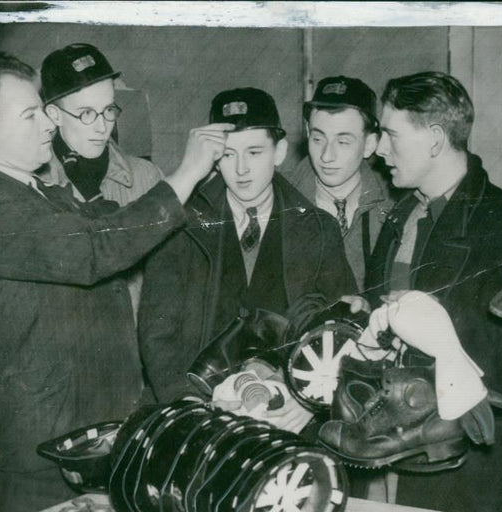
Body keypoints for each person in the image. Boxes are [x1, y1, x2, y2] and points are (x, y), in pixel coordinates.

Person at [0, 51, 231, 512]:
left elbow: (109, 225)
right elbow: (97, 249)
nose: (48, 124)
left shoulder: (35, 193)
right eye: (31, 114)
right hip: (35, 458)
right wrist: (186, 174)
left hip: (79, 439)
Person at [356, 71, 502, 512]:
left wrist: (437, 324)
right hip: (397, 455)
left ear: (436, 140)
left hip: (464, 475)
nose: (379, 149)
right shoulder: (401, 215)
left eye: (391, 135)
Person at [139, 87, 356, 403]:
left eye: (254, 152)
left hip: (289, 403)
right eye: (228, 155)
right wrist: (186, 400)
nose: (241, 169)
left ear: (279, 152)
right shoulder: (179, 226)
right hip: (198, 402)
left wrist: (306, 403)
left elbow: (337, 333)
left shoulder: (319, 228)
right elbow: (157, 335)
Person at [39, 43, 164, 322]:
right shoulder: (33, 185)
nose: (102, 126)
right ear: (54, 115)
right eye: (86, 113)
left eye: (108, 110)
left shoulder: (147, 178)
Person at [288, 75, 393, 290]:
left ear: (369, 144)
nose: (326, 156)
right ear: (307, 133)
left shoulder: (395, 205)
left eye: (343, 142)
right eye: (318, 139)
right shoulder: (278, 198)